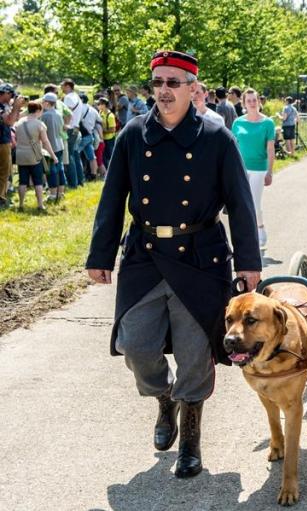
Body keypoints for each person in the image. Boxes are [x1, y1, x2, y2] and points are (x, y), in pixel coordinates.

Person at [85, 50, 261, 479]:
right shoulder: (132, 134)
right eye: (158, 82)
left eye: (173, 83)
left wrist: (249, 262)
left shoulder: (216, 137)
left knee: (195, 351)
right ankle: (165, 400)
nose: (164, 90)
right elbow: (112, 198)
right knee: (136, 344)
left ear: (193, 89)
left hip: (200, 256)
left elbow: (239, 202)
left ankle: (191, 439)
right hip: (145, 255)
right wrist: (100, 254)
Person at [232, 88, 275, 250]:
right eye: (248, 101)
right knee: (241, 204)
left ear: (259, 102)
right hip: (241, 169)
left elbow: (270, 150)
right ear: (244, 103)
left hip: (259, 168)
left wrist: (270, 171)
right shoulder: (238, 123)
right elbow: (233, 146)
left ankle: (260, 228)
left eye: (254, 100)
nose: (252, 103)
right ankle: (248, 235)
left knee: (254, 203)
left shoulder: (267, 123)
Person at [14, 101, 59, 211]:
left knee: (22, 181)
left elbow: (16, 138)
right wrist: (53, 156)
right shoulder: (39, 124)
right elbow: (45, 142)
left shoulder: (19, 122)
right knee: (38, 181)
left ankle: (20, 204)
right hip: (34, 155)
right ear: (38, 111)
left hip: (20, 154)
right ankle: (40, 204)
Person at [1, 83, 24, 209]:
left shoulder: (4, 106)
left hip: (4, 141)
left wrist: (14, 109)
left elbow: (13, 120)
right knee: (4, 172)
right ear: (4, 93)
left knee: (5, 172)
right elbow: (9, 122)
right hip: (2, 142)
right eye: (10, 95)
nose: (11, 98)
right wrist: (15, 107)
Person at [41, 93, 66, 201]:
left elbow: (42, 131)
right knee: (60, 169)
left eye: (43, 102)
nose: (42, 103)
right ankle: (60, 193)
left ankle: (52, 194)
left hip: (50, 146)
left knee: (51, 170)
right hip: (60, 144)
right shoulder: (58, 113)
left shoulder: (45, 115)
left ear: (47, 102)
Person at [98, 97, 116, 171]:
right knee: (103, 156)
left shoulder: (110, 116)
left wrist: (103, 131)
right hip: (102, 138)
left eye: (99, 104)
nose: (98, 105)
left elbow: (113, 129)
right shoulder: (100, 112)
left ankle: (112, 171)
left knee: (109, 156)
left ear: (104, 105)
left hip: (109, 139)